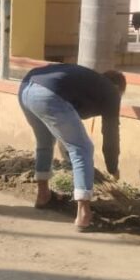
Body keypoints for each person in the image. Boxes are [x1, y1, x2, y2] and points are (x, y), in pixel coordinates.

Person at [18, 64, 127, 230]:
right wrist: (113, 167)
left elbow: (66, 123)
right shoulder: (111, 91)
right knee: (83, 148)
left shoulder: (86, 85)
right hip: (47, 94)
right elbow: (110, 133)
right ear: (118, 88)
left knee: (45, 142)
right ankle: (84, 215)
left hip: (26, 88)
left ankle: (43, 195)